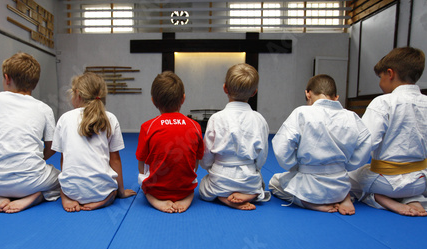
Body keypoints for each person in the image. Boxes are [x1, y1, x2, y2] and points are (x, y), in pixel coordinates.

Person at [269, 74, 371, 215]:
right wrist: (346, 166)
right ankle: (345, 197)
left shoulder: (302, 113)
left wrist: (295, 166)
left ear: (308, 93)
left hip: (309, 184)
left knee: (274, 183)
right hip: (340, 181)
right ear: (336, 97)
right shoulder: (351, 116)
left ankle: (308, 203)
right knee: (346, 180)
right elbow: (366, 144)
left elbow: (282, 147)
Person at [349, 47, 427, 216]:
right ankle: (414, 199)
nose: (380, 82)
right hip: (421, 181)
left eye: (380, 77)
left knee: (344, 179)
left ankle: (379, 198)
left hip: (385, 182)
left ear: (390, 73)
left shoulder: (383, 102)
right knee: (411, 183)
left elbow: (364, 145)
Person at [52, 72, 136, 212]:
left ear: (77, 95)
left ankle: (66, 197)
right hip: (100, 191)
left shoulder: (64, 119)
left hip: (72, 191)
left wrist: (68, 189)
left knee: (59, 180)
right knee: (113, 190)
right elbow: (115, 160)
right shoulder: (110, 118)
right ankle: (106, 198)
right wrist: (121, 192)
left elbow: (64, 159)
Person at [0, 52, 60, 213]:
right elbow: (53, 146)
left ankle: (0, 196)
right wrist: (38, 158)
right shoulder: (44, 109)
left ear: (7, 78)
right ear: (35, 83)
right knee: (62, 178)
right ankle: (36, 196)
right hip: (31, 181)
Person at [199, 63, 270, 210]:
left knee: (204, 188)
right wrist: (254, 168)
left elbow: (206, 157)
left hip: (220, 177)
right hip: (249, 178)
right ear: (254, 92)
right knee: (260, 184)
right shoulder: (259, 119)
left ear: (225, 88)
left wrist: (210, 167)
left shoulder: (216, 118)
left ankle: (223, 196)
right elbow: (262, 156)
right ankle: (252, 193)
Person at [136, 71, 204, 213]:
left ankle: (153, 198)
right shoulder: (195, 126)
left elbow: (141, 165)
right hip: (185, 187)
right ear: (183, 99)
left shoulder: (147, 127)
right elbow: (196, 164)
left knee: (144, 184)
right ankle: (186, 197)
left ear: (153, 101)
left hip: (156, 189)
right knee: (191, 180)